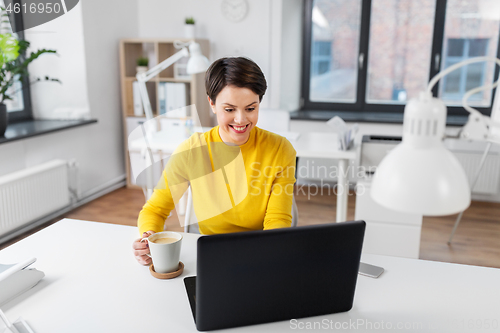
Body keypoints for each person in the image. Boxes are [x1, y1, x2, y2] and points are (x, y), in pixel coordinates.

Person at [133, 57, 296, 265]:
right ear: (212, 103)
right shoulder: (192, 151)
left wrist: (269, 252)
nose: (241, 120)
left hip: (259, 249)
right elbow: (155, 209)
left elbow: (277, 219)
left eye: (250, 108)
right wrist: (148, 238)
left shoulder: (280, 150)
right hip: (211, 251)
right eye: (229, 110)